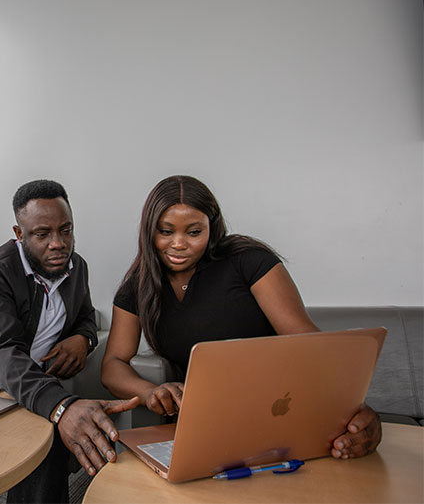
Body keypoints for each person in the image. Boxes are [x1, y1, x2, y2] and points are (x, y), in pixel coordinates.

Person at [101, 174, 381, 460]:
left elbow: (306, 340)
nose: (179, 244)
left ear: (212, 226)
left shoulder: (248, 261)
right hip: (209, 419)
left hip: (281, 405)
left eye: (194, 232)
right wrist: (150, 392)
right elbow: (112, 365)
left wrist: (352, 407)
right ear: (149, 231)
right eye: (166, 231)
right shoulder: (137, 287)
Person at [0, 179, 137, 504]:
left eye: (66, 230)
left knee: (50, 438)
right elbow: (3, 353)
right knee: (54, 426)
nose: (58, 243)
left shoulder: (77, 267)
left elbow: (87, 316)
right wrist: (60, 406)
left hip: (24, 389)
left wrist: (83, 340)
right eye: (42, 234)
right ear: (19, 234)